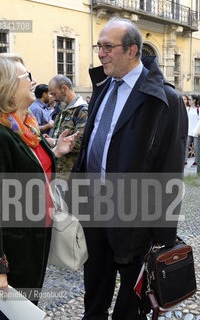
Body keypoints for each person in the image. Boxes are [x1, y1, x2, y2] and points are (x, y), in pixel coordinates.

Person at [71, 18, 187, 320]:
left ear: (132, 50)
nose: (101, 53)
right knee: (94, 287)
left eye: (108, 47)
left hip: (133, 219)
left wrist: (164, 235)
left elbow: (170, 170)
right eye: (99, 46)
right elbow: (93, 144)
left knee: (131, 302)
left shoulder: (165, 100)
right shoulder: (102, 87)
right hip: (93, 209)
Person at [0, 54, 78, 320]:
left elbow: (29, 170)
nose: (34, 82)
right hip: (16, 246)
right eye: (26, 77)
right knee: (15, 312)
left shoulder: (25, 127)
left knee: (29, 306)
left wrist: (56, 153)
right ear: (6, 87)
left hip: (37, 236)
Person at [47, 75, 88, 181]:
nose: (53, 98)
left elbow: (80, 142)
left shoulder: (82, 111)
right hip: (57, 172)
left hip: (70, 175)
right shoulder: (63, 109)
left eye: (54, 94)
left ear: (64, 89)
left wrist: (54, 142)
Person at [185, 94, 199, 166]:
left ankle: (196, 162)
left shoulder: (198, 109)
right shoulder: (188, 109)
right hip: (188, 131)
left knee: (196, 147)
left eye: (190, 99)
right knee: (186, 146)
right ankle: (184, 161)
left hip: (196, 132)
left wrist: (196, 131)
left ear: (194, 100)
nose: (189, 101)